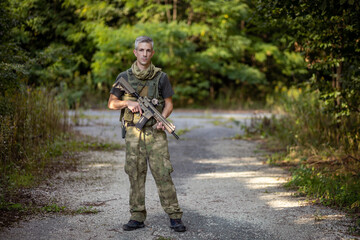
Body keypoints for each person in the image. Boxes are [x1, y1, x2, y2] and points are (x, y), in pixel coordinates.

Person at [107, 36, 186, 232]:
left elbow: (168, 104)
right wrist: (128, 103)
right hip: (134, 133)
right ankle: (137, 216)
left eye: (148, 50)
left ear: (152, 53)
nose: (144, 54)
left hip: (156, 134)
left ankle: (175, 216)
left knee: (163, 173)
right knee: (135, 173)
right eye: (141, 50)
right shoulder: (123, 77)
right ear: (135, 52)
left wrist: (162, 119)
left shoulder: (161, 77)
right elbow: (111, 103)